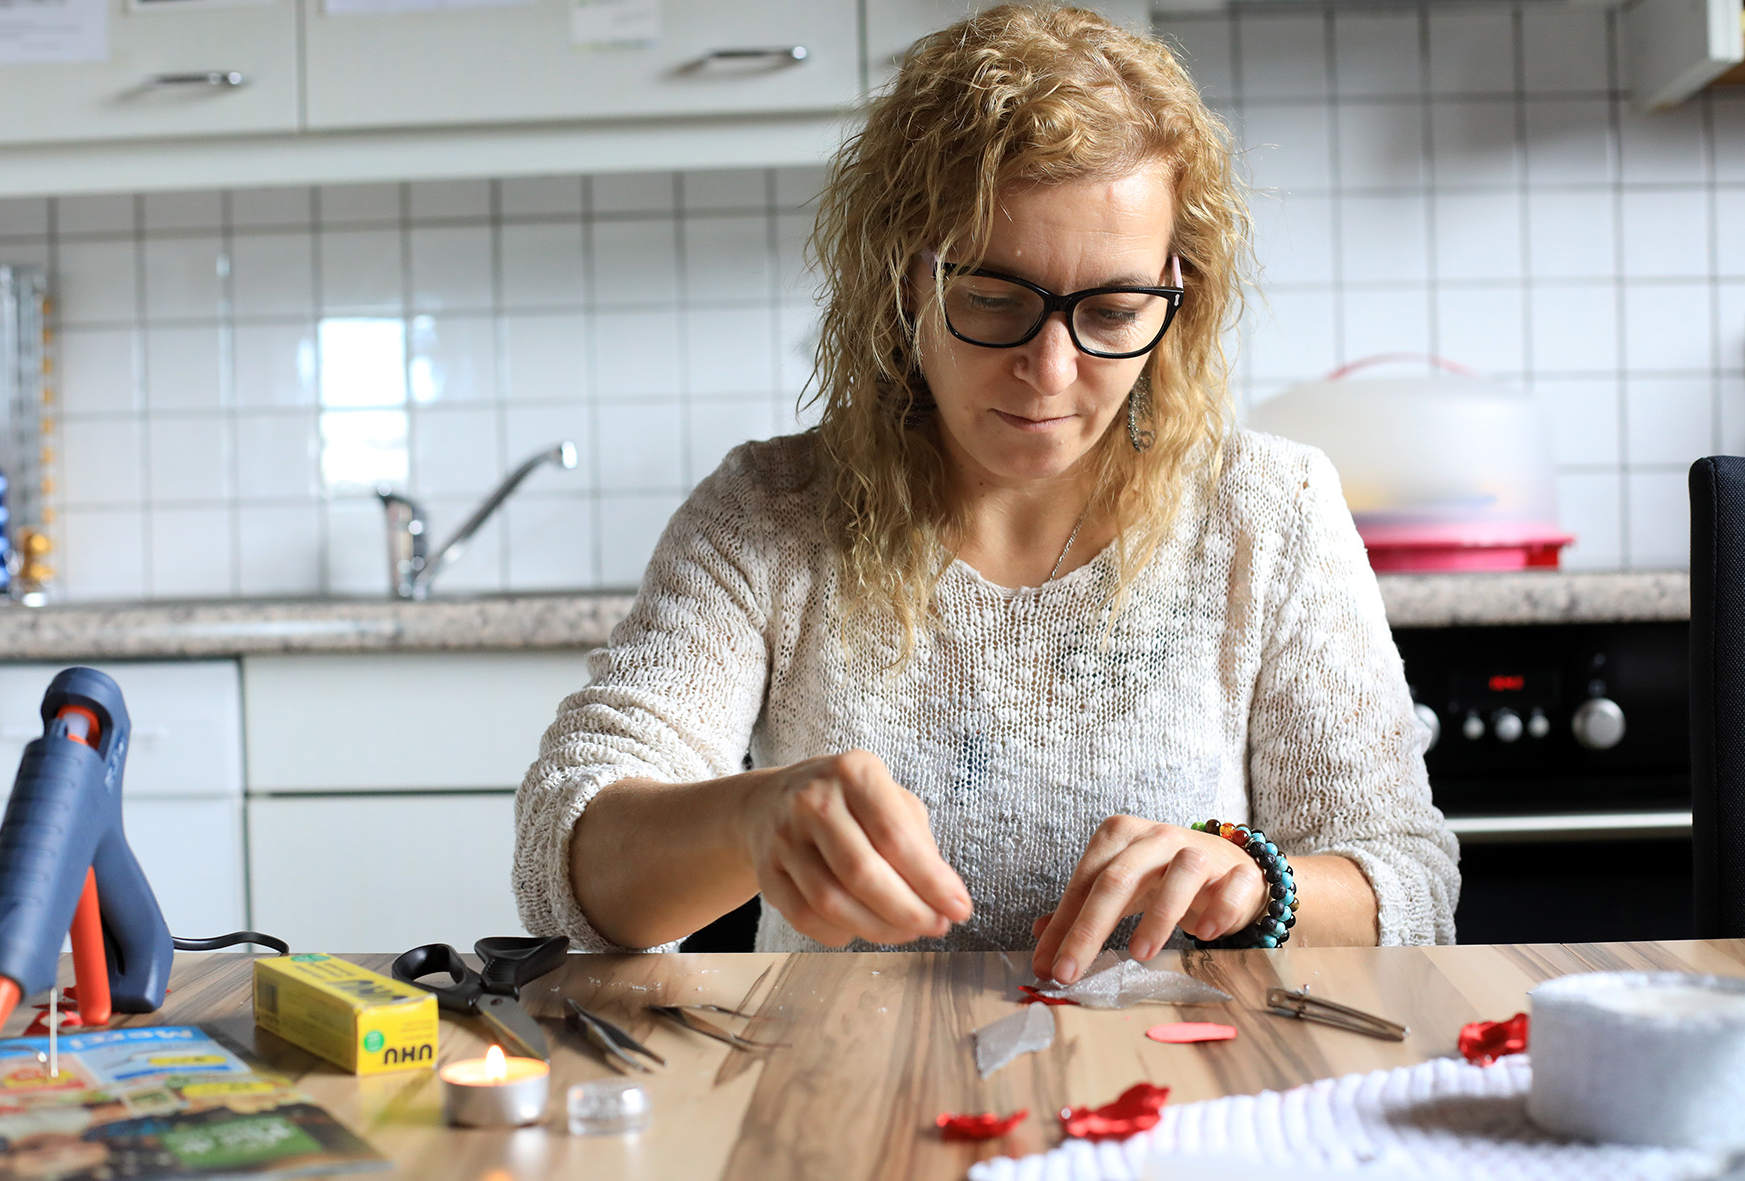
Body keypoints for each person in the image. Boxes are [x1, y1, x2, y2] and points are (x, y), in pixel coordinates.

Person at [513, 3, 1458, 984]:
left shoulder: (1270, 509)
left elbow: (1411, 886)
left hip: (1176, 1067)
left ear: (1177, 290)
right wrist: (748, 817)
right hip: (846, 1070)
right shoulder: (770, 514)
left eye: (1113, 310)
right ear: (904, 276)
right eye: (994, 301)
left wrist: (1256, 884)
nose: (1050, 371)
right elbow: (562, 859)